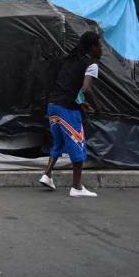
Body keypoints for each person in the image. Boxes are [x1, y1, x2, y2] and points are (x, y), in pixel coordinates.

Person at [39, 31, 102, 198]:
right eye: (99, 45)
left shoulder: (70, 60)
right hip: (67, 109)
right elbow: (86, 89)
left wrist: (80, 103)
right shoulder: (91, 65)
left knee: (58, 142)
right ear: (93, 47)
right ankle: (77, 187)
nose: (101, 49)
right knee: (77, 145)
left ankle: (47, 174)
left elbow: (67, 86)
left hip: (53, 105)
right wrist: (97, 107)